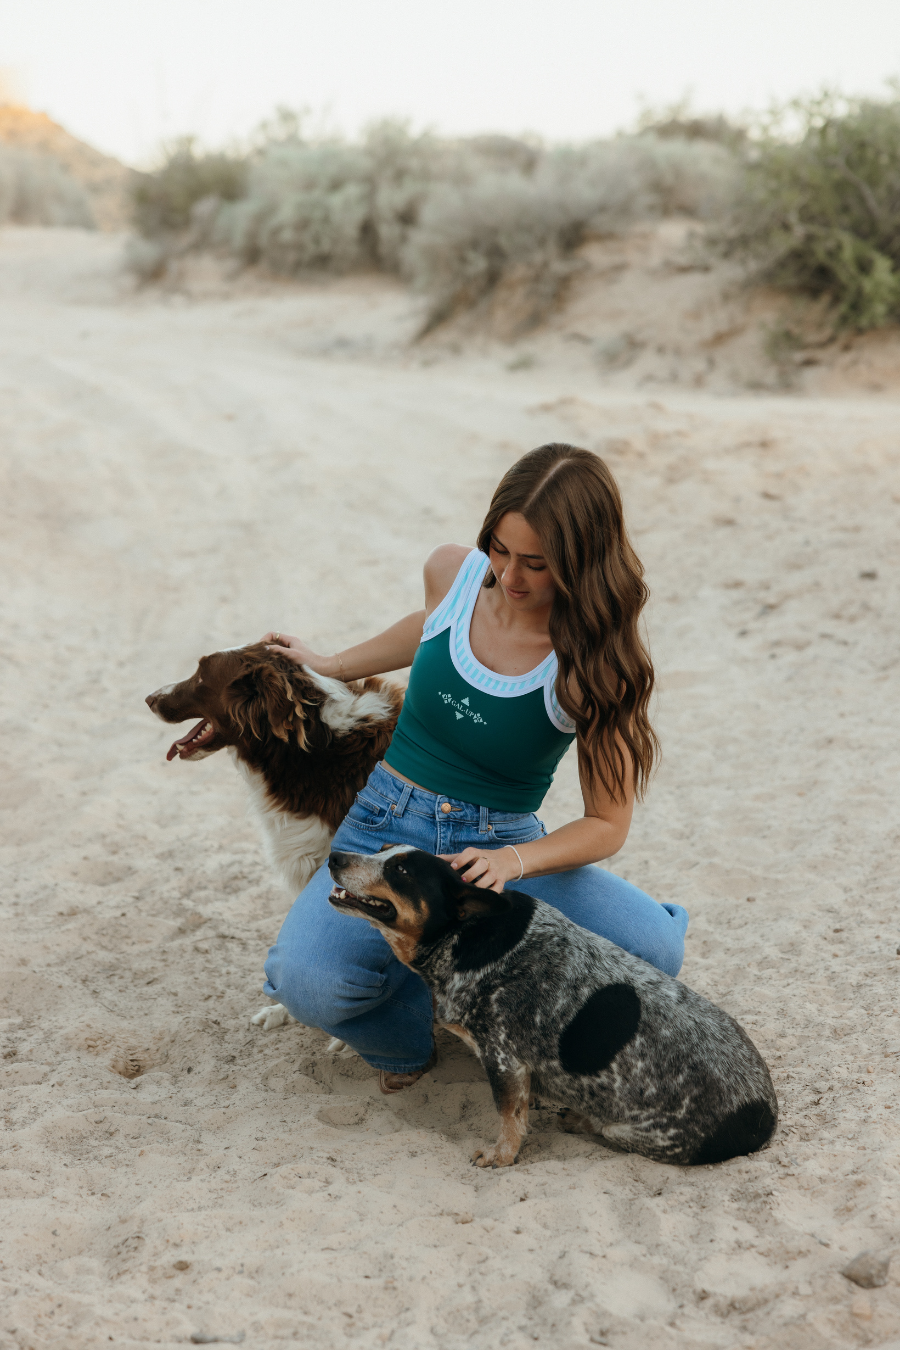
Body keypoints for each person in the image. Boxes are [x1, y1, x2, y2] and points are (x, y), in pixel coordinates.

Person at [260, 443, 688, 1093]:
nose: (510, 577)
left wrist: (514, 862)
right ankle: (413, 1032)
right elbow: (429, 626)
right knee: (308, 985)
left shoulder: (596, 663)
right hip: (389, 819)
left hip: (499, 844)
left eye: (536, 564)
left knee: (657, 954)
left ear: (581, 561)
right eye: (500, 549)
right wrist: (332, 663)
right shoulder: (455, 574)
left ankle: (638, 916)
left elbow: (606, 823)